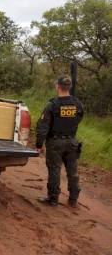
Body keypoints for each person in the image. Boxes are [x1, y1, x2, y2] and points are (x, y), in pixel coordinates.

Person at [36, 75, 84, 207]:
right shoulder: (78, 104)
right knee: (72, 172)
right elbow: (79, 118)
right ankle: (73, 199)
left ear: (57, 86)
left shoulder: (52, 105)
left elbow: (43, 126)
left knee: (54, 170)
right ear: (69, 87)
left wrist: (39, 144)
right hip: (72, 142)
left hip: (55, 143)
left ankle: (53, 199)